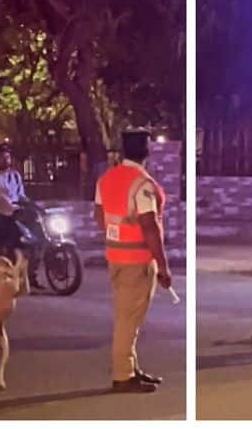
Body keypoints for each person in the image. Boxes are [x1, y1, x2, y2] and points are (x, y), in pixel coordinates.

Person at [94, 127, 173, 393]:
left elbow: (100, 216)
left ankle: (130, 367)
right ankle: (123, 376)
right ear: (147, 151)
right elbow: (150, 226)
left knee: (127, 316)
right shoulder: (142, 184)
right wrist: (162, 265)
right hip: (138, 260)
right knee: (129, 321)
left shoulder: (106, 179)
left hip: (115, 256)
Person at [0, 143, 44, 288]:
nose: (3, 160)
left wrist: (31, 203)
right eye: (0, 157)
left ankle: (30, 276)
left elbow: (20, 195)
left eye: (6, 157)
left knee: (29, 241)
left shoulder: (15, 175)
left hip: (16, 212)